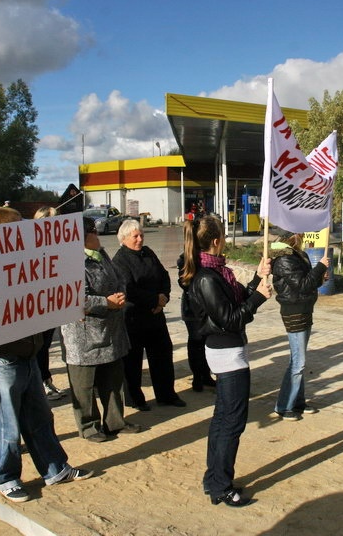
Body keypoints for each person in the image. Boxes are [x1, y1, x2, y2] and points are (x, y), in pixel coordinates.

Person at [0, 206, 92, 503]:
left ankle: (55, 468)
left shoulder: (30, 265)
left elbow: (42, 301)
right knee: (5, 423)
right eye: (20, 230)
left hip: (29, 357)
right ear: (5, 235)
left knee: (40, 418)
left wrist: (66, 305)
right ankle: (6, 477)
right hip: (0, 361)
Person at [181, 215, 271, 507]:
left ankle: (214, 478)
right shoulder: (207, 277)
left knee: (223, 419)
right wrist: (258, 298)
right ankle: (221, 485)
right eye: (224, 238)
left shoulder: (216, 272)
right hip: (226, 353)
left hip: (228, 350)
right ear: (217, 242)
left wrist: (257, 278)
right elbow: (231, 318)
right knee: (232, 422)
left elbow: (234, 302)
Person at [59, 217, 141, 443]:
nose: (98, 235)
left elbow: (119, 279)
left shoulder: (101, 254)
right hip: (83, 335)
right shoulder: (69, 261)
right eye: (94, 231)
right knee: (84, 385)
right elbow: (73, 299)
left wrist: (120, 295)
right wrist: (106, 302)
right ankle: (89, 426)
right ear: (82, 237)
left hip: (110, 330)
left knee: (113, 380)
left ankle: (115, 422)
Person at [112, 219, 185, 410]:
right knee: (133, 362)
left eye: (141, 235)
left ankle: (166, 394)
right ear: (124, 238)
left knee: (162, 355)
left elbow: (163, 276)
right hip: (133, 318)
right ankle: (135, 399)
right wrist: (155, 300)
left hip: (155, 315)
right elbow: (128, 289)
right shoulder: (119, 260)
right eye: (135, 236)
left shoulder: (148, 252)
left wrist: (164, 298)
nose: (139, 239)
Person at [270, 233, 329, 420]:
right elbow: (302, 285)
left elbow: (307, 282)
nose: (302, 237)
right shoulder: (284, 259)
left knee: (298, 362)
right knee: (298, 362)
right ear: (291, 237)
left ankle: (298, 401)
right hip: (294, 312)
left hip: (304, 309)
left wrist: (320, 278)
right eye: (299, 235)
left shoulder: (297, 255)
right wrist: (320, 266)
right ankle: (284, 405)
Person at [33, 206, 66, 401]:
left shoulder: (60, 244)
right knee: (38, 346)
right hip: (37, 304)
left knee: (44, 345)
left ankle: (45, 379)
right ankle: (39, 382)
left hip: (52, 303)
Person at [177, 251, 216, 393]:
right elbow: (184, 282)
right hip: (192, 307)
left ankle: (206, 375)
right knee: (196, 341)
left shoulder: (210, 256)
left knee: (206, 342)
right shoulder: (186, 258)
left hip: (208, 306)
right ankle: (197, 377)